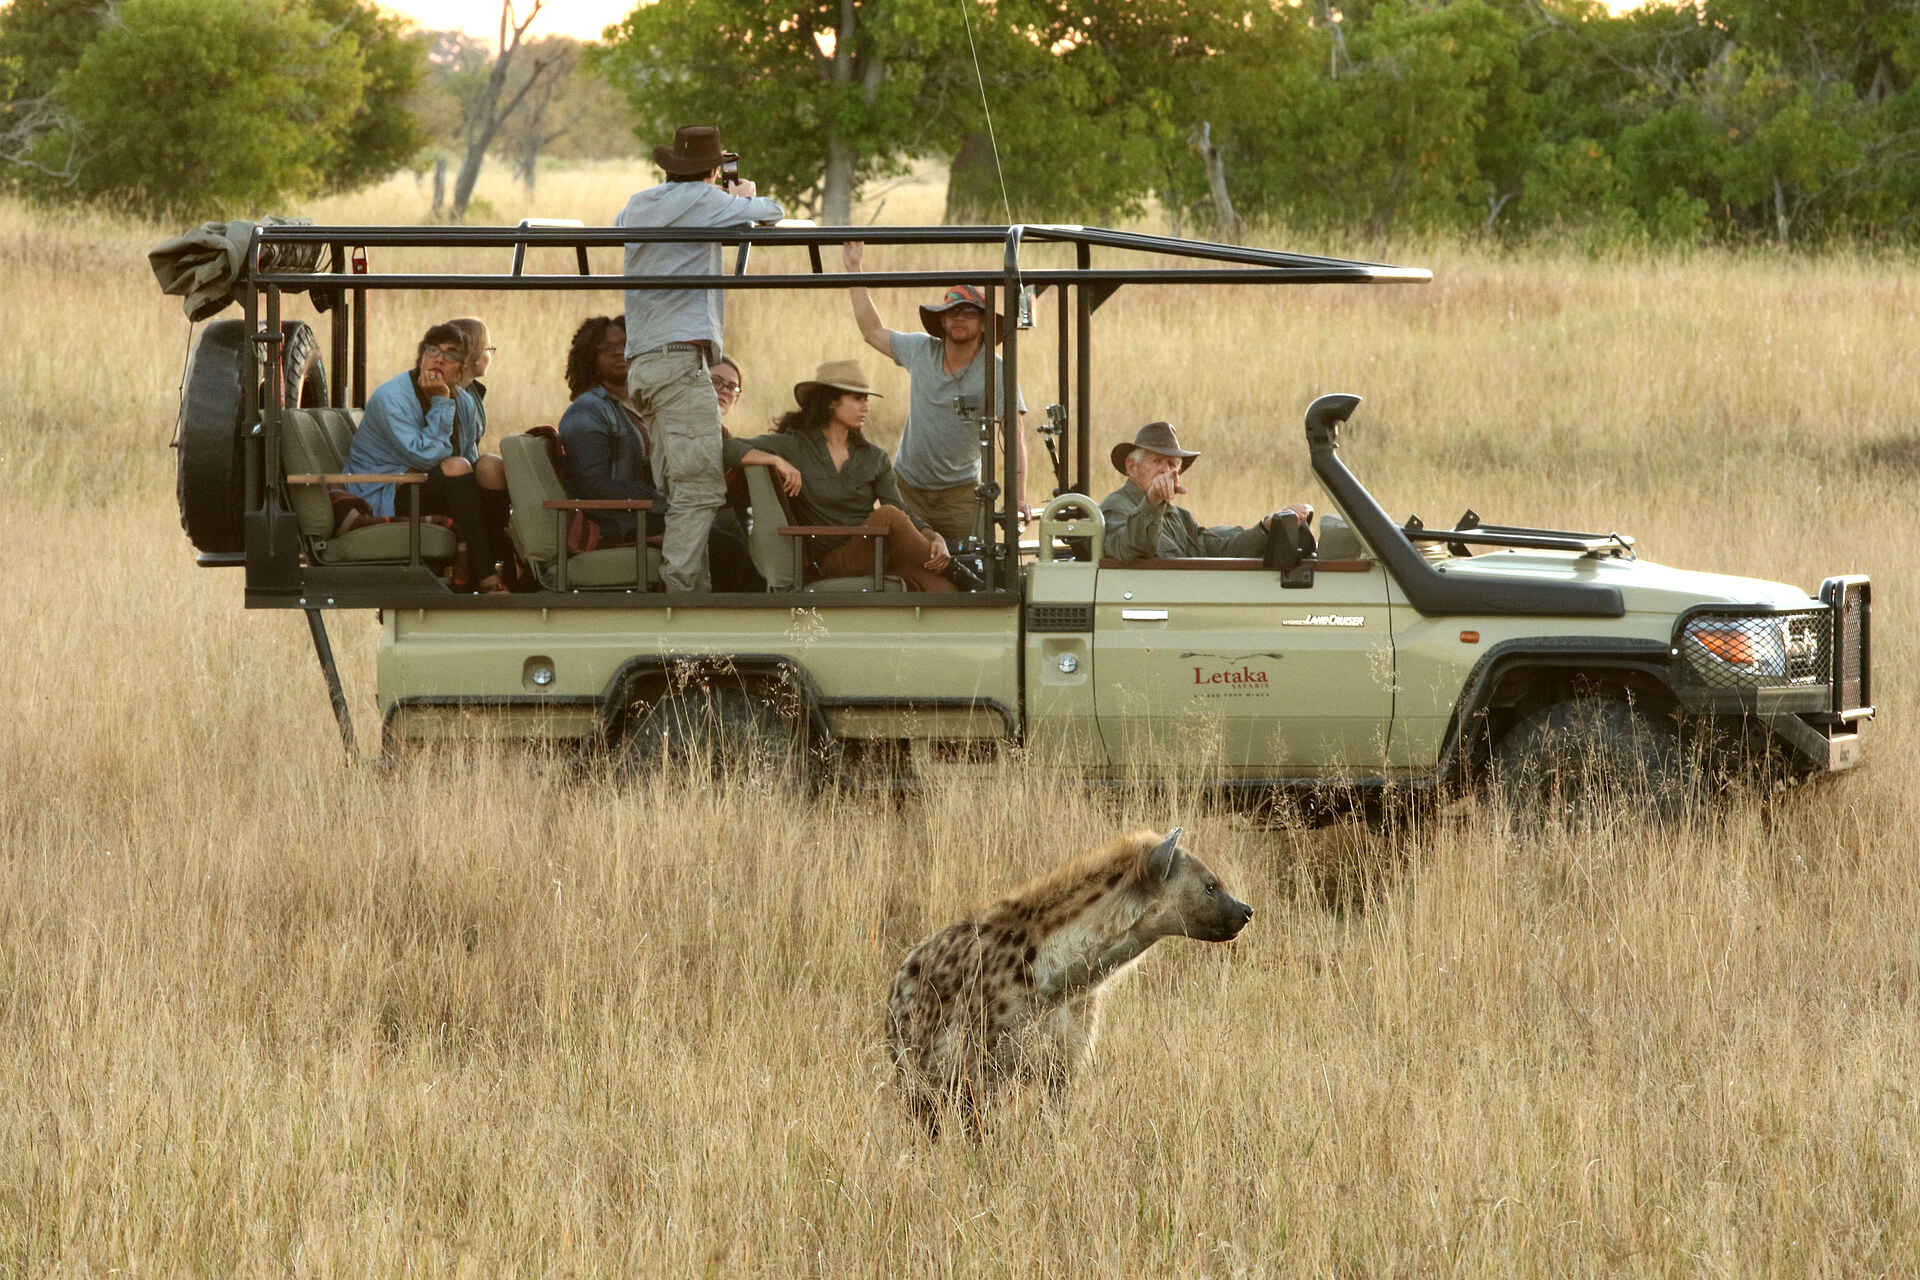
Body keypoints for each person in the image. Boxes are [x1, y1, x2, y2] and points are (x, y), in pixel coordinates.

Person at [617, 124, 783, 593]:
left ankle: (688, 589)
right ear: (712, 170)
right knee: (701, 488)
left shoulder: (639, 202)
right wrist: (744, 195)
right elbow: (772, 211)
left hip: (645, 363)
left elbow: (620, 225)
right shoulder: (708, 200)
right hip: (678, 360)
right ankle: (684, 593)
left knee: (678, 486)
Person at [843, 241, 1031, 544]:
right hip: (907, 487)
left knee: (972, 569)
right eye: (951, 312)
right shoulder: (921, 350)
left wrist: (1018, 498)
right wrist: (854, 269)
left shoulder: (996, 370)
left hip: (961, 494)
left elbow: (1014, 435)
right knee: (901, 566)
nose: (959, 318)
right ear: (941, 320)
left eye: (969, 312)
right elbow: (872, 332)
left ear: (984, 324)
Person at [556, 317, 763, 591]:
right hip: (619, 521)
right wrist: (661, 501)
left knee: (728, 528)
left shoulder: (645, 404)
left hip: (651, 512)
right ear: (589, 357)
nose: (620, 352)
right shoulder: (588, 411)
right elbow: (593, 486)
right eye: (607, 347)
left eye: (627, 344)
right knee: (723, 546)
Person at [723, 360, 958, 593]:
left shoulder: (874, 458)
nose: (865, 407)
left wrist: (934, 536)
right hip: (828, 561)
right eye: (857, 399)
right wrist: (774, 460)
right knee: (887, 516)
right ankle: (960, 571)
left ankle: (954, 575)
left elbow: (901, 511)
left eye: (866, 399)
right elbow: (726, 448)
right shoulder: (795, 446)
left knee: (945, 590)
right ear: (831, 402)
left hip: (875, 551)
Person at [344, 323, 510, 593]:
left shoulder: (465, 401)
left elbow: (470, 459)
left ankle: (508, 569)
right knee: (456, 467)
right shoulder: (391, 398)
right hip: (384, 490)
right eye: (432, 351)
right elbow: (424, 457)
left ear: (464, 366)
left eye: (451, 354)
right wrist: (441, 403)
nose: (439, 360)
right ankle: (486, 576)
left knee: (490, 466)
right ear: (421, 358)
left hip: (434, 485)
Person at [1099, 421, 1311, 561]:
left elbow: (1218, 549)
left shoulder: (1179, 517)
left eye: (1173, 464)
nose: (1166, 470)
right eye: (1157, 461)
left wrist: (1267, 527)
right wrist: (1152, 502)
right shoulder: (1114, 509)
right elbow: (1131, 549)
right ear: (1132, 467)